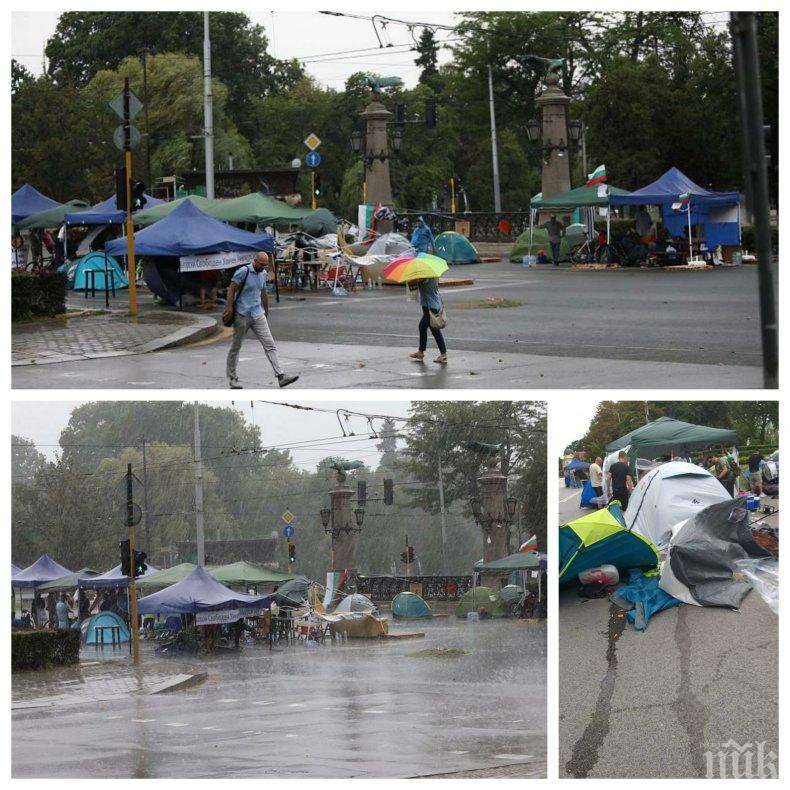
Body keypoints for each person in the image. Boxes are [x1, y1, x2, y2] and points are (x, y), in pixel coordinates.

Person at [224, 252, 299, 389]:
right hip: (242, 314)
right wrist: (229, 308)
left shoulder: (263, 274)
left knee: (270, 344)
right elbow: (231, 289)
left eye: (265, 265)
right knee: (236, 347)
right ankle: (232, 378)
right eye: (261, 264)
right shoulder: (243, 272)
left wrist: (266, 310)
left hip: (258, 314)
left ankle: (281, 376)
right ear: (255, 261)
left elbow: (263, 292)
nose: (263, 267)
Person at [409, 278, 447, 364]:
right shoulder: (433, 276)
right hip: (434, 304)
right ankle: (421, 352)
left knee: (435, 330)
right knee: (422, 327)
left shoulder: (424, 278)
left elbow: (415, 282)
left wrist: (411, 280)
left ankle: (443, 354)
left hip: (429, 306)